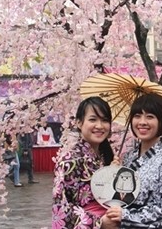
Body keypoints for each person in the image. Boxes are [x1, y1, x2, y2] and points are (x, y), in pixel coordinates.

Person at [103, 93, 162, 229]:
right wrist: (115, 175)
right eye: (137, 116)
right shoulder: (129, 157)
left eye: (150, 117)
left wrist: (126, 216)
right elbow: (122, 197)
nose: (142, 122)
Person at [52, 96, 114, 228]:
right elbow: (62, 209)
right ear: (79, 123)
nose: (99, 126)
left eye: (105, 120)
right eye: (93, 119)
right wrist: (99, 223)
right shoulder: (69, 160)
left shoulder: (105, 156)